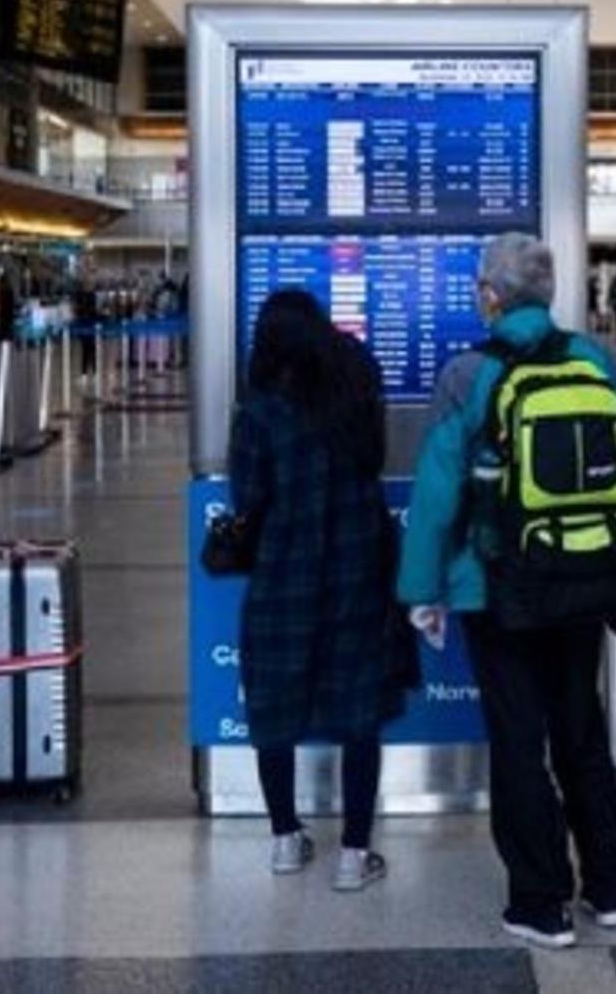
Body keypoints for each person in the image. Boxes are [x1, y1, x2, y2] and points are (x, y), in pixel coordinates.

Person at [397, 232, 616, 949]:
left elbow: (436, 491)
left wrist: (421, 589)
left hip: (495, 587)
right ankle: (609, 887)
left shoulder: (469, 374)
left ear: (490, 296)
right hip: (584, 578)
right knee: (579, 727)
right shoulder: (593, 358)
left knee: (518, 739)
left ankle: (539, 901)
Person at [226, 289, 416, 892]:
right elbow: (377, 458)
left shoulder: (258, 410)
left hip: (285, 572)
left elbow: (246, 498)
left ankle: (286, 839)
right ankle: (355, 855)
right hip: (359, 565)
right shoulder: (357, 379)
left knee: (273, 705)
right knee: (359, 711)